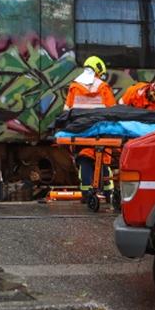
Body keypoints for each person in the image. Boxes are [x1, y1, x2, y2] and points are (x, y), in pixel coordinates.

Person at [64, 56, 116, 202]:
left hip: (81, 131)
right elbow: (112, 110)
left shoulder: (75, 86)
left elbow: (67, 110)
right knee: (103, 159)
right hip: (100, 131)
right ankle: (108, 193)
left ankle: (87, 194)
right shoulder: (103, 87)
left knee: (85, 159)